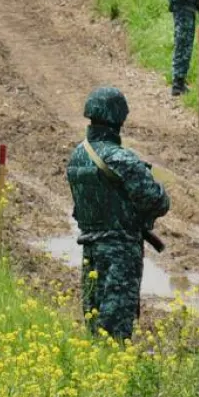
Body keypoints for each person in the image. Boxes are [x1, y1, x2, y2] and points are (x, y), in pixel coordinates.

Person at [65, 86, 170, 340]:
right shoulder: (122, 159)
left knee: (94, 325)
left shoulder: (77, 156)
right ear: (119, 117)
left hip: (90, 250)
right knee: (116, 331)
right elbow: (159, 201)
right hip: (120, 254)